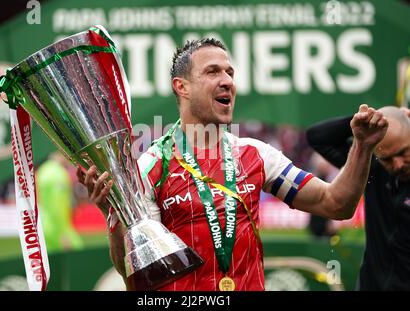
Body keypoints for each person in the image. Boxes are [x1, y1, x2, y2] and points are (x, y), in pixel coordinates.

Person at [78, 38, 388, 291]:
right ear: (181, 87)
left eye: (230, 73)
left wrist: (363, 146)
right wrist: (114, 216)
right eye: (213, 72)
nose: (227, 81)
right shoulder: (151, 168)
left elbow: (336, 204)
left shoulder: (257, 155)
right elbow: (136, 279)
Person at [306, 106, 410, 291]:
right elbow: (317, 137)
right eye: (387, 158)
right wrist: (369, 121)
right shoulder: (373, 170)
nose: (397, 165)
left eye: (403, 152)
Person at [36, 152, 84, 252]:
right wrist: (61, 234)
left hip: (45, 226)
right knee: (79, 255)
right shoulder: (58, 174)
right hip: (58, 229)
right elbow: (56, 207)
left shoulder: (43, 170)